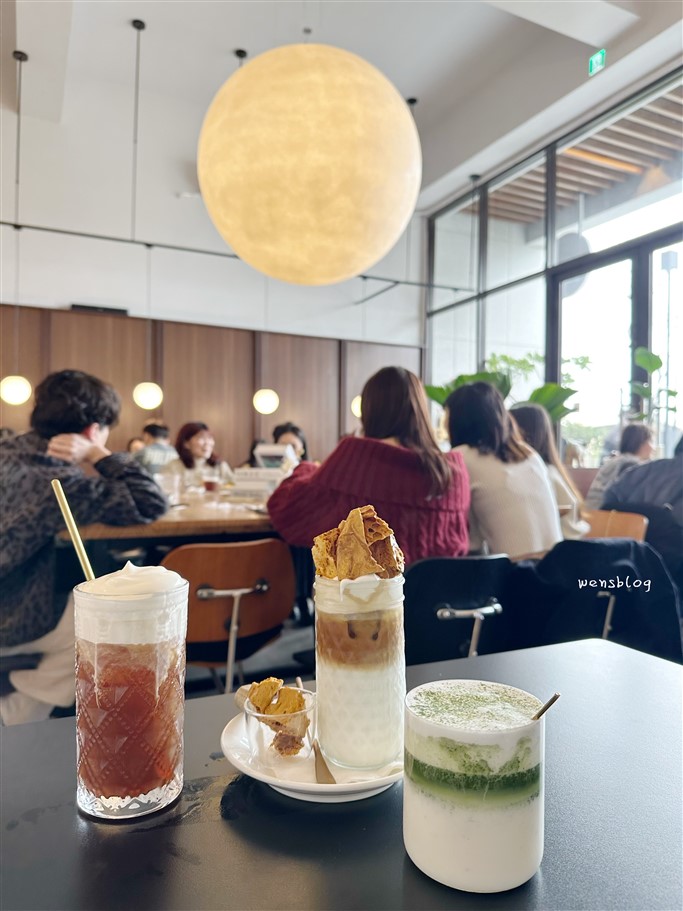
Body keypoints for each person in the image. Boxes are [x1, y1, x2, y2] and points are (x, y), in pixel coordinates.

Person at [0, 369, 168, 725]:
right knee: (102, 624)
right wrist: (99, 454)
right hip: (8, 617)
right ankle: (15, 718)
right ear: (94, 429)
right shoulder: (59, 479)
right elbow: (150, 501)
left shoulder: (8, 451)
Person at [267, 366, 470, 565]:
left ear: (369, 410)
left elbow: (286, 510)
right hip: (436, 598)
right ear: (421, 411)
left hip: (360, 597)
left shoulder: (357, 458)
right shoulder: (453, 473)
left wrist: (306, 468)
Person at [445, 382, 562, 558]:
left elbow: (469, 542)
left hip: (517, 574)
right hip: (559, 569)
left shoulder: (459, 458)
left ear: (456, 419)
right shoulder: (528, 453)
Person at [510, 403, 590, 540]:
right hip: (575, 547)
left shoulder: (540, 475)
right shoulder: (552, 471)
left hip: (563, 552)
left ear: (524, 435)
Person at [603, 435, 683, 525]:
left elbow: (608, 501)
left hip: (615, 533)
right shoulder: (631, 463)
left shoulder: (642, 469)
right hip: (668, 537)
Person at [584, 423, 654, 510]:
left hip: (593, 513)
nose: (653, 448)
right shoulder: (631, 465)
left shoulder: (618, 461)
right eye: (651, 441)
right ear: (641, 443)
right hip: (605, 517)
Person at [162, 421, 234, 486]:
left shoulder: (220, 465)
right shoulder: (173, 467)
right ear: (186, 443)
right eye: (202, 438)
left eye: (209, 438)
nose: (207, 443)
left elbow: (234, 488)